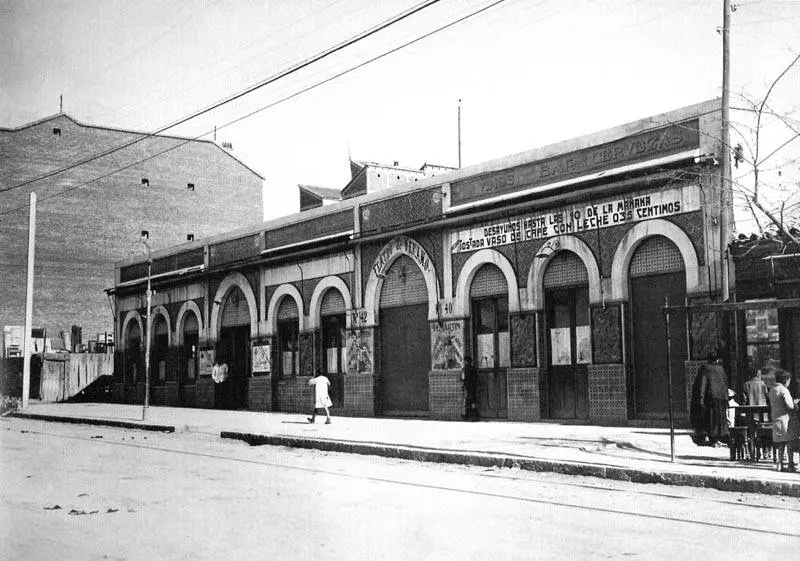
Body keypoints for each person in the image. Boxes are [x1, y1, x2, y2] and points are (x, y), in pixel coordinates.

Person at [691, 350, 729, 446]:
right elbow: (725, 383)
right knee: (720, 419)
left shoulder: (705, 368)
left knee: (711, 420)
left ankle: (713, 440)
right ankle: (719, 439)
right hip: (722, 398)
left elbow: (702, 383)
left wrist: (701, 398)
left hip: (711, 398)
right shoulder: (721, 369)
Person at [768, 369, 800, 472]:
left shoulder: (772, 390)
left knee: (780, 444)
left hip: (776, 420)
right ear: (786, 380)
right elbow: (790, 406)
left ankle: (779, 463)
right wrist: (796, 406)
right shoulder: (784, 390)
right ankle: (790, 464)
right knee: (789, 444)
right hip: (786, 421)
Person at [462, 356, 479, 421]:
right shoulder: (473, 369)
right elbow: (476, 378)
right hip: (473, 387)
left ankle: (466, 416)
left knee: (466, 402)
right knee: (473, 402)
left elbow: (462, 378)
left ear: (466, 361)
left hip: (467, 387)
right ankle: (475, 416)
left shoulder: (464, 369)